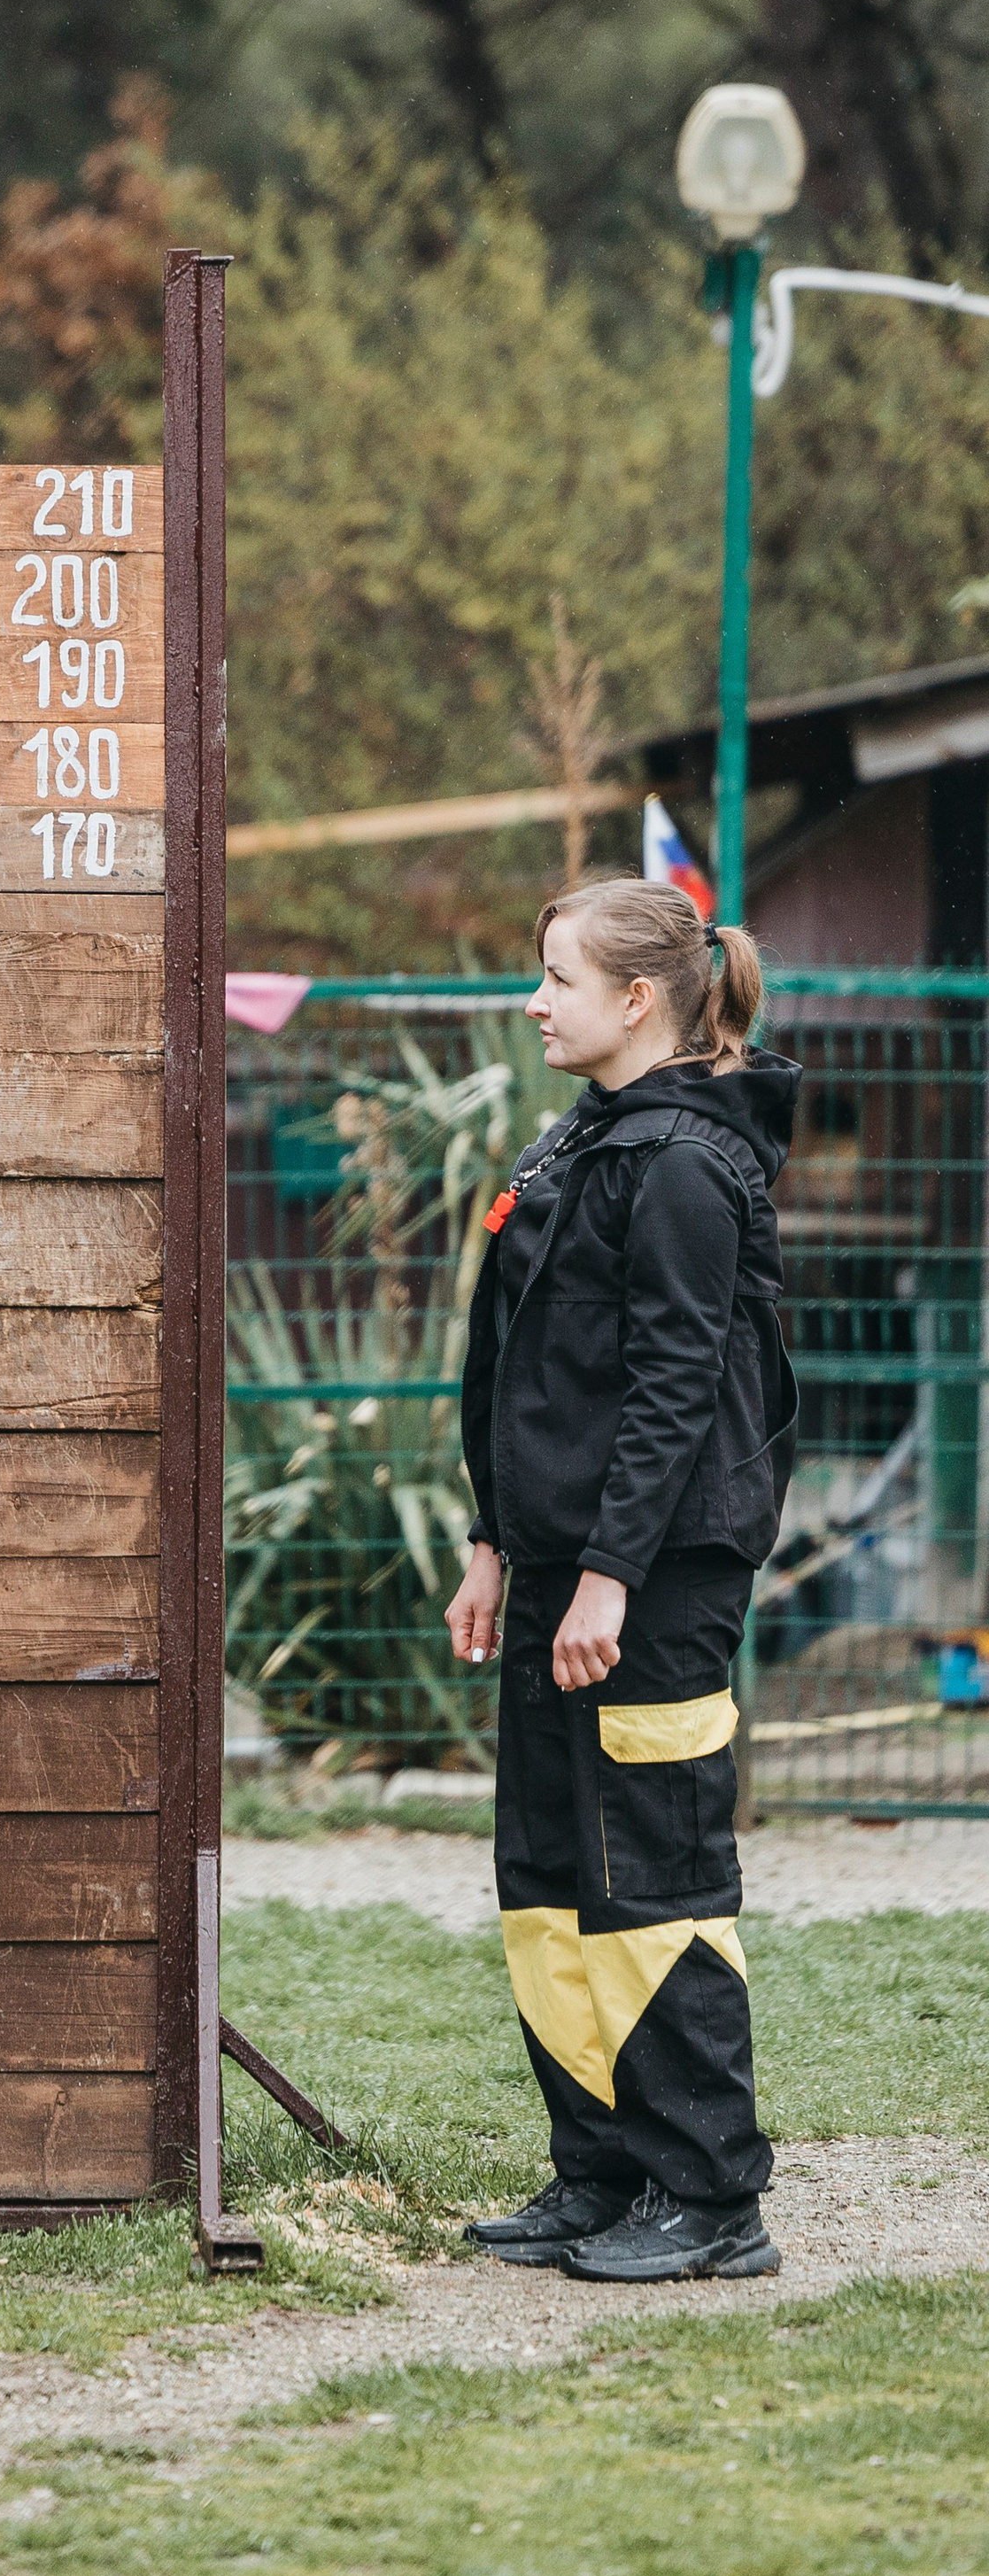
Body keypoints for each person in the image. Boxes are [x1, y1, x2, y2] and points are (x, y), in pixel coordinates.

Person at [444, 877, 800, 2281]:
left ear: (637, 998)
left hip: (652, 1579)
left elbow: (672, 1391)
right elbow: (517, 1369)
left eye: (558, 979)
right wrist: (494, 1539)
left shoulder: (687, 1166)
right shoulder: (579, 1142)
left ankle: (712, 2197)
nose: (535, 1001)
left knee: (653, 1873)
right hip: (555, 1567)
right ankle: (600, 2170)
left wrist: (607, 1577)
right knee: (548, 1873)